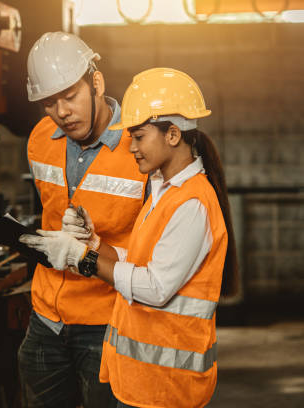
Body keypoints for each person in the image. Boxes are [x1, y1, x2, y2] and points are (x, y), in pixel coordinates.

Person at [20, 67, 238, 408]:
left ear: (172, 135)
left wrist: (83, 260)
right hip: (145, 377)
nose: (131, 147)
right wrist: (93, 244)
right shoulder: (165, 192)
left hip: (169, 384)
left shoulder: (192, 203)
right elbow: (137, 260)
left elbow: (154, 287)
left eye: (138, 137)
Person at [18, 32, 148, 408]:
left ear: (96, 83)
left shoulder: (138, 149)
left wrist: (91, 248)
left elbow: (149, 254)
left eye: (70, 96)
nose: (61, 111)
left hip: (107, 321)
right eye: (49, 102)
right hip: (46, 318)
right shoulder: (40, 138)